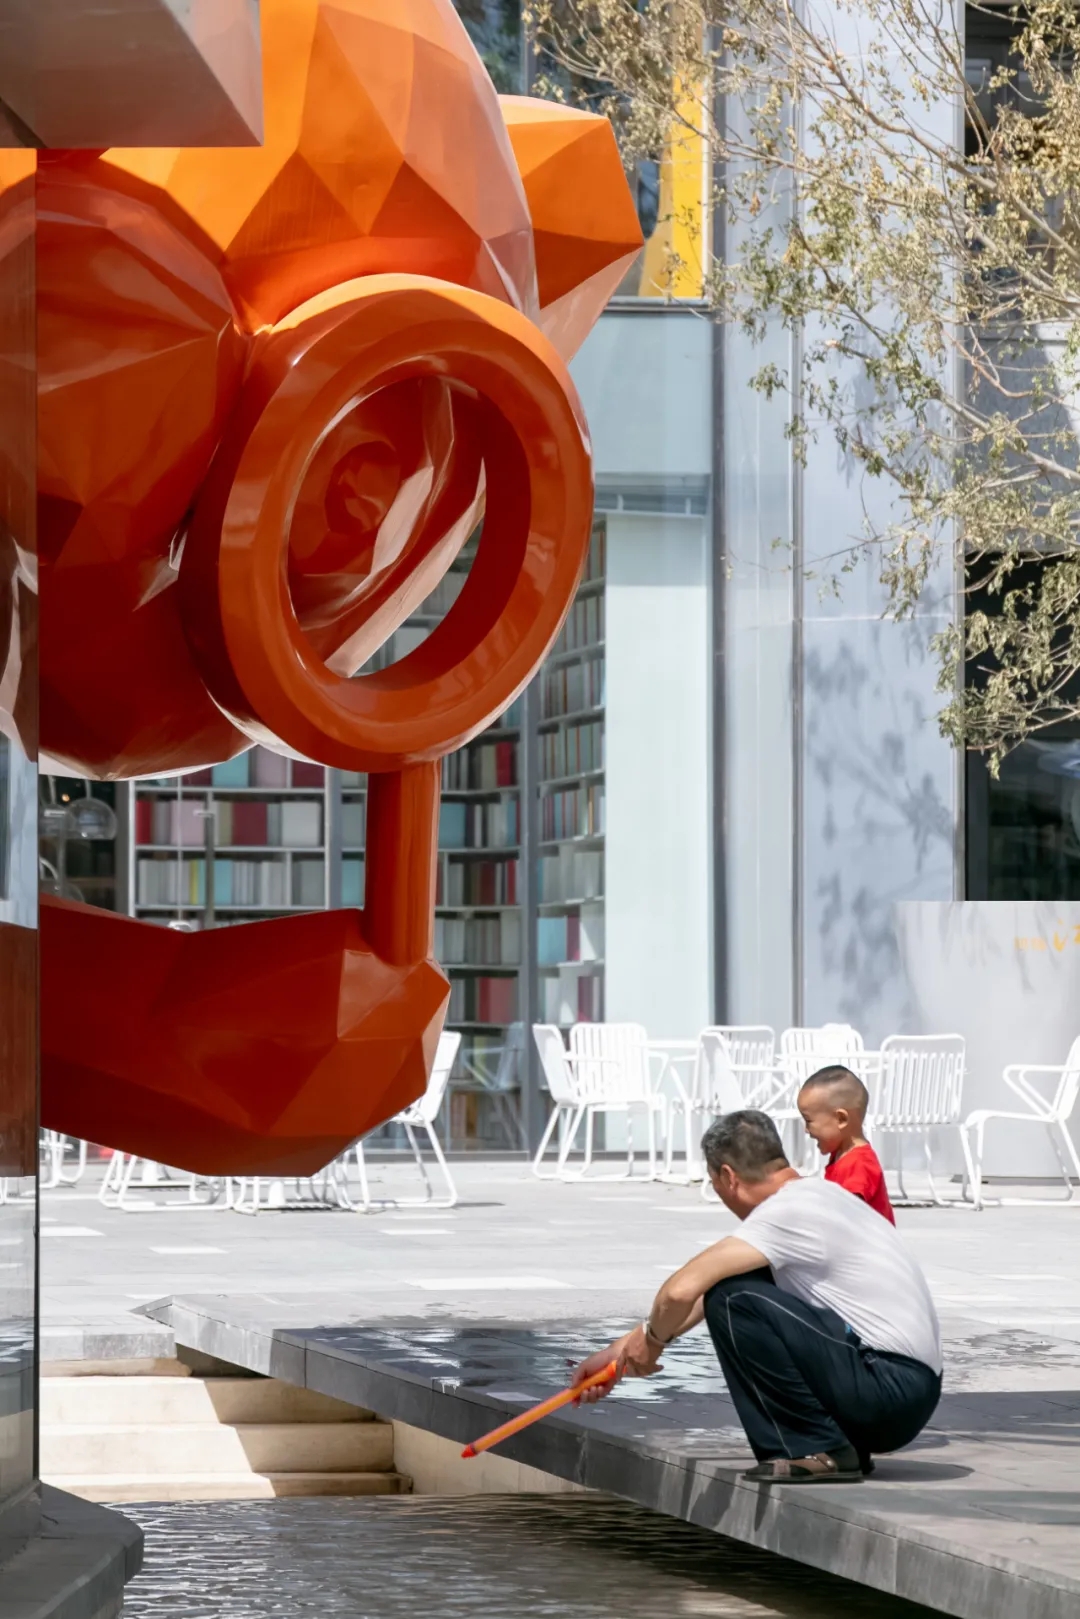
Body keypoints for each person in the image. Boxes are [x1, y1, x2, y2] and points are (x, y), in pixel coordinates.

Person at [571, 1110, 942, 1484]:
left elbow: (680, 1289)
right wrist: (619, 1354)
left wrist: (651, 1345)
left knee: (733, 1301)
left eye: (715, 1187)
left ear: (729, 1177)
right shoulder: (821, 1197)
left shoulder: (788, 1212)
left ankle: (815, 1448)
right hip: (906, 1395)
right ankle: (836, 1445)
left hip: (889, 1392)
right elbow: (694, 1297)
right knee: (729, 1292)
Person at [797, 1065, 895, 1223]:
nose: (807, 1130)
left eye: (809, 1120)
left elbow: (847, 1212)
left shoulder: (859, 1163)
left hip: (868, 1247)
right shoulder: (841, 1156)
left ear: (841, 1119)